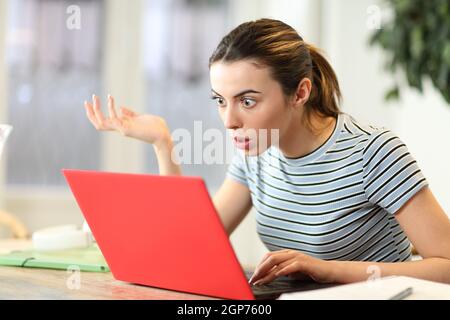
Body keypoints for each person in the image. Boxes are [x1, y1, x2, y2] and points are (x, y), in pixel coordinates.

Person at [84, 18, 450, 285]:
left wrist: (331, 269)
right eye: (220, 101)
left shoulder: (374, 152)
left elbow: (446, 265)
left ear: (300, 93)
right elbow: (189, 247)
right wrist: (163, 144)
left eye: (247, 100)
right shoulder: (255, 152)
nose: (229, 121)